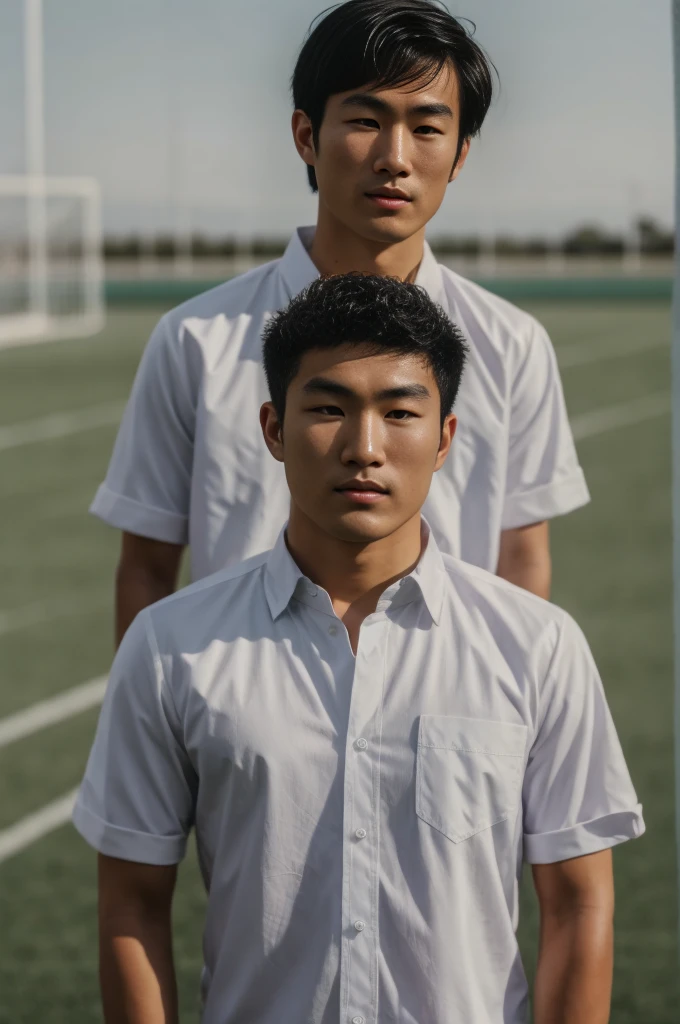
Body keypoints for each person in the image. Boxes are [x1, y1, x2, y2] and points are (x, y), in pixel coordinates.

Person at [74, 275, 643, 1024]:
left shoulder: (536, 646)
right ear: (273, 429)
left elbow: (576, 904)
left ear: (444, 439)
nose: (364, 447)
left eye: (400, 412)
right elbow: (130, 908)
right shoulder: (172, 646)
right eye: (329, 409)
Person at [92, 0, 590, 645]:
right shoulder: (197, 339)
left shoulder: (511, 344)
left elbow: (521, 558)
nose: (395, 157)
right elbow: (147, 568)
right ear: (306, 135)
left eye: (428, 127)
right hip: (249, 723)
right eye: (365, 119)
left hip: (444, 726)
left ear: (462, 152)